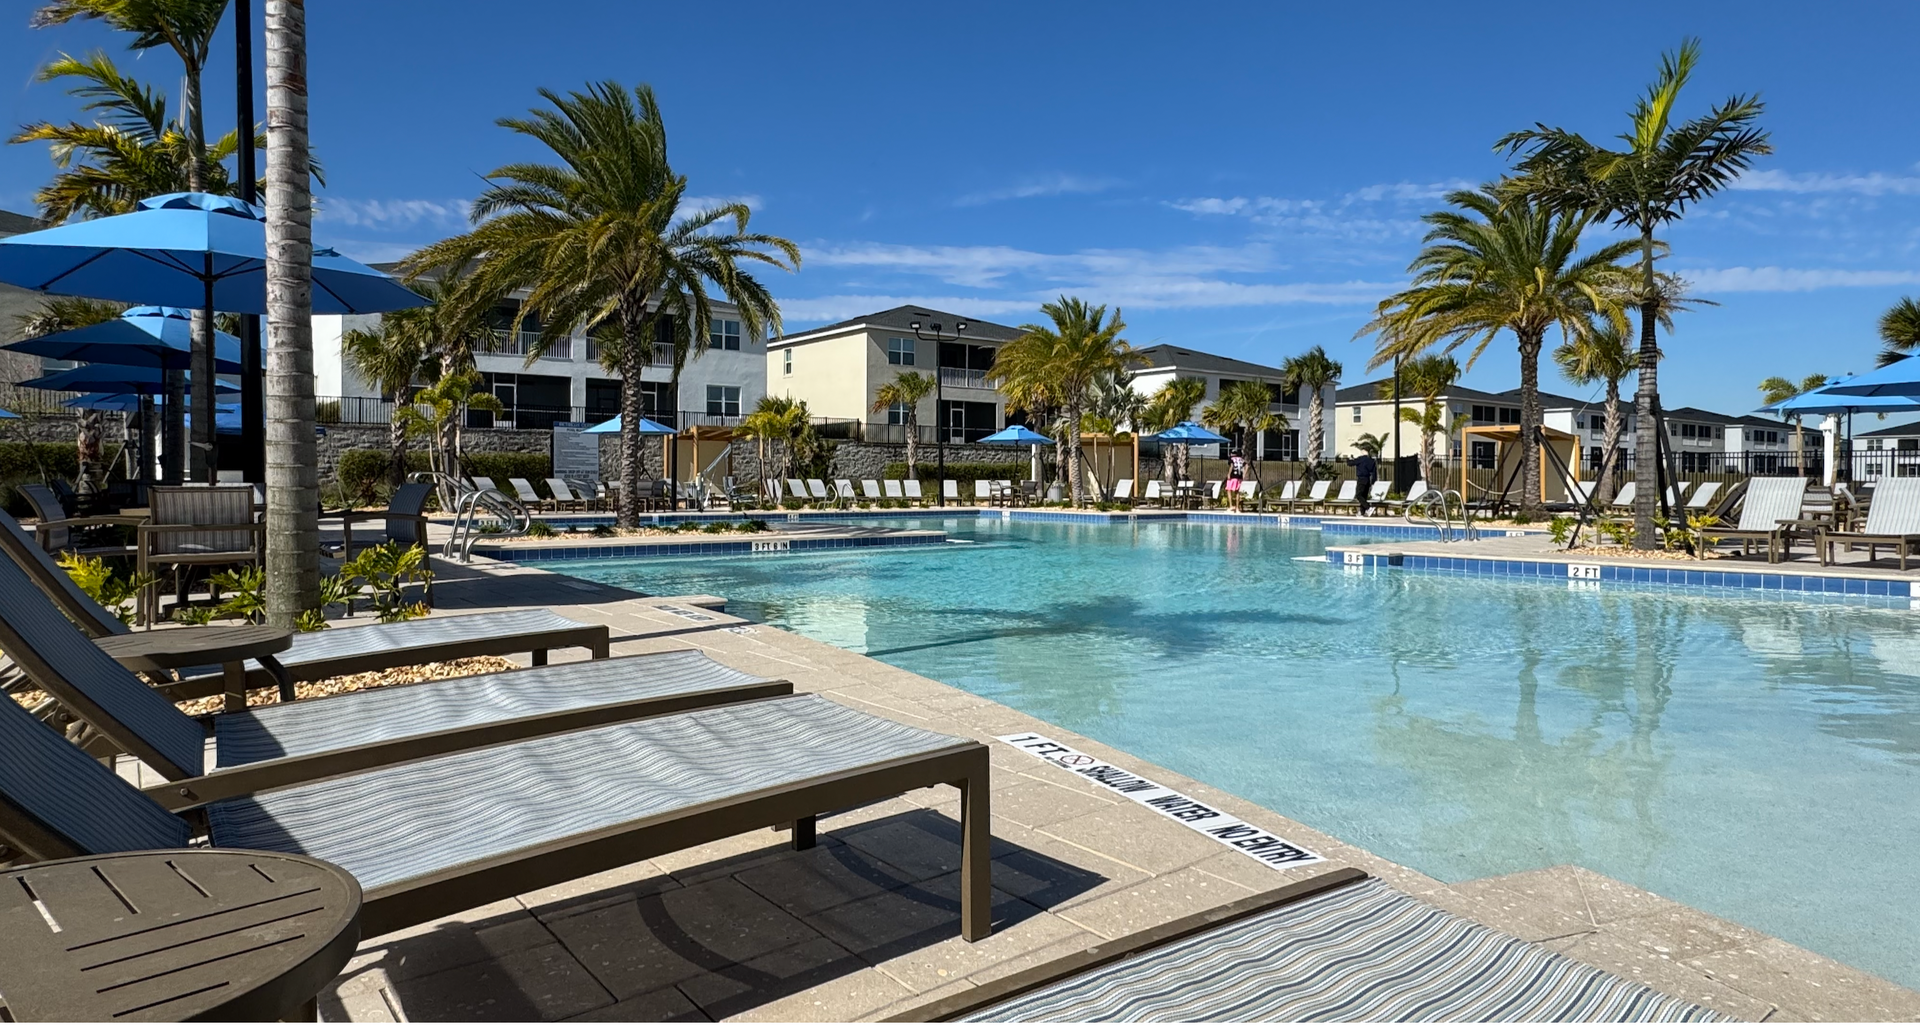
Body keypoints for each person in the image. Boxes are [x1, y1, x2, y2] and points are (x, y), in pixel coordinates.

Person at [1354, 450, 1378, 515]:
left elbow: (1351, 463)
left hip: (1361, 479)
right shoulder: (1372, 461)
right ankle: (1362, 512)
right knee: (1364, 496)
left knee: (1358, 495)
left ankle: (1368, 508)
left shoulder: (1360, 459)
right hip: (1368, 479)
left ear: (1361, 454)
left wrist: (1349, 459)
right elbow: (1374, 472)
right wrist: (1373, 481)